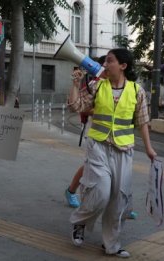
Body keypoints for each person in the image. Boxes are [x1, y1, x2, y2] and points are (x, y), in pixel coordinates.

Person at [67, 48, 157, 258]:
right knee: (100, 192)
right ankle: (79, 222)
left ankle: (111, 245)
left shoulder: (137, 91)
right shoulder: (97, 86)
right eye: (106, 61)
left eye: (110, 61)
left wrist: (150, 149)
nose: (105, 65)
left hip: (123, 150)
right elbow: (76, 106)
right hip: (98, 146)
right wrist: (74, 83)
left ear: (123, 66)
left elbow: (143, 122)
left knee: (119, 199)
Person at [65, 56, 106, 208]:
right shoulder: (93, 85)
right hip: (95, 132)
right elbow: (77, 107)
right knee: (89, 167)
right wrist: (101, 111)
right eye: (105, 64)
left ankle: (122, 205)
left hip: (114, 136)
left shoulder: (120, 85)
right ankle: (71, 191)